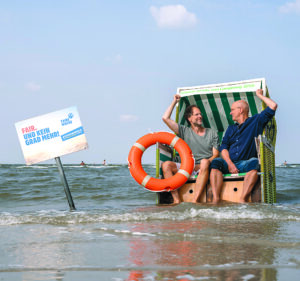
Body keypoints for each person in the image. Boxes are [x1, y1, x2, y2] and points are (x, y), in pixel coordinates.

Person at [210, 89, 278, 203]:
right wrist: (230, 164)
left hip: (245, 163)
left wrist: (259, 95)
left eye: (232, 110)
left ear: (241, 110)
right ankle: (216, 199)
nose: (230, 112)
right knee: (216, 162)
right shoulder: (230, 128)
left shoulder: (256, 121)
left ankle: (243, 199)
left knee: (254, 162)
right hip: (229, 163)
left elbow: (273, 105)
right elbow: (224, 148)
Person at [162, 94, 220, 204]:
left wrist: (205, 163)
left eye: (200, 114)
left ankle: (195, 200)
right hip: (187, 166)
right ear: (189, 118)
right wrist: (174, 102)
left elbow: (216, 154)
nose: (200, 116)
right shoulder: (184, 131)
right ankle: (176, 200)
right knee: (166, 165)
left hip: (203, 167)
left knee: (204, 162)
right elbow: (165, 118)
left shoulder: (211, 132)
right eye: (196, 114)